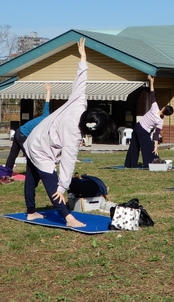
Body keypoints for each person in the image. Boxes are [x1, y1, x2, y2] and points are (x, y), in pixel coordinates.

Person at [24, 38, 110, 228]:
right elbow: (68, 162)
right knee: (52, 185)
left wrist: (83, 59)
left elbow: (81, 83)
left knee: (31, 178)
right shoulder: (73, 134)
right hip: (41, 148)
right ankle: (68, 217)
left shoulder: (80, 104)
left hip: (34, 137)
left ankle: (31, 212)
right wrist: (62, 187)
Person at [124, 74, 174, 168]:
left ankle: (129, 164)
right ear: (167, 114)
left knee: (134, 146)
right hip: (143, 131)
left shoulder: (155, 107)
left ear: (163, 108)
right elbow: (156, 135)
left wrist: (151, 81)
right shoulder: (160, 121)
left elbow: (152, 94)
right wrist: (156, 147)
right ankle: (150, 164)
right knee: (148, 148)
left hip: (137, 126)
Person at [4, 83, 52, 170]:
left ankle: (7, 170)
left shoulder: (46, 114)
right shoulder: (47, 124)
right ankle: (34, 173)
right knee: (30, 155)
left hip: (19, 131)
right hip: (23, 135)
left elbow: (47, 102)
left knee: (13, 153)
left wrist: (48, 90)